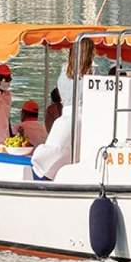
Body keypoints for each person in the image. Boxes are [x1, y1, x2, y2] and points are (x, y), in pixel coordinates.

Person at [31, 41, 95, 179]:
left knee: (54, 153)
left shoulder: (65, 71)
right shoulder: (92, 73)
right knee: (73, 156)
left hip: (66, 116)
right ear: (90, 53)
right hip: (83, 118)